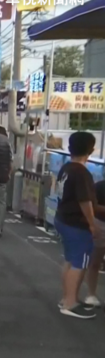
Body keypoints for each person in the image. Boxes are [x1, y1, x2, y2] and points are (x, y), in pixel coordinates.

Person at [54, 132, 99, 320]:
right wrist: (92, 224)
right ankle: (70, 303)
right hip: (77, 223)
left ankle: (67, 298)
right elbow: (85, 201)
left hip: (63, 218)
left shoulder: (66, 167)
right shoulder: (82, 173)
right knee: (80, 263)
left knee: (71, 260)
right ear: (90, 150)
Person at [83, 180, 105, 308]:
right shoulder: (100, 186)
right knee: (95, 261)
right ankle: (91, 294)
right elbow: (92, 205)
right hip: (100, 224)